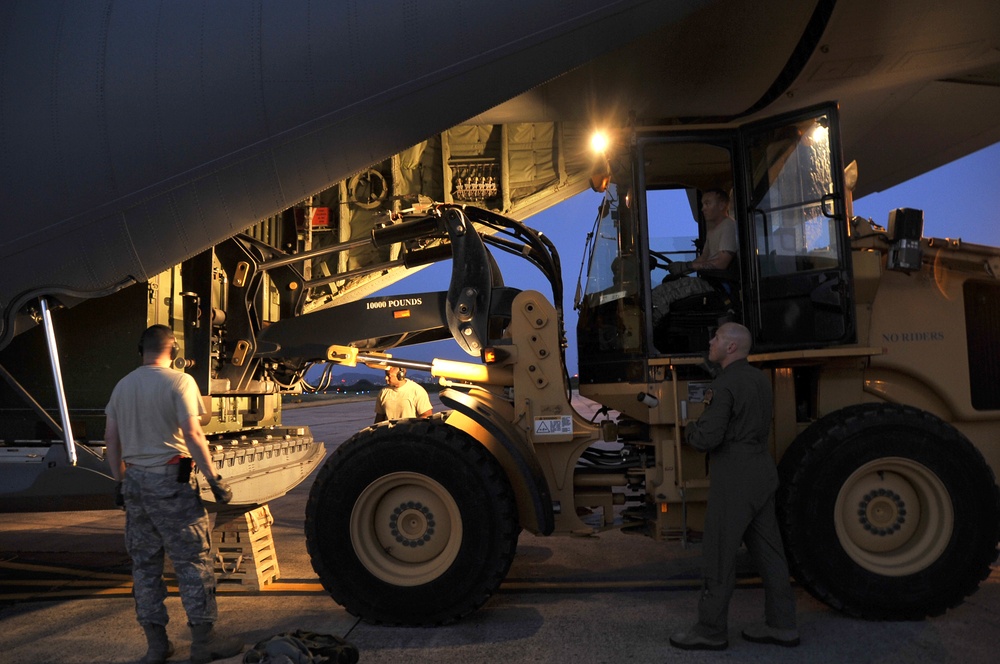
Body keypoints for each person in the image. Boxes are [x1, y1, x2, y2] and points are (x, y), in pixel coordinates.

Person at [104, 325, 244, 664]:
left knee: (145, 567)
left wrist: (120, 481)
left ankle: (156, 646)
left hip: (134, 482)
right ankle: (202, 643)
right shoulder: (180, 381)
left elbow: (112, 438)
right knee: (193, 562)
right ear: (174, 349)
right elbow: (193, 433)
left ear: (141, 348)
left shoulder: (123, 386)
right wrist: (214, 478)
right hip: (170, 482)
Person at [669, 322, 799, 651]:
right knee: (770, 553)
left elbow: (708, 437)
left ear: (730, 348)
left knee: (718, 556)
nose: (710, 341)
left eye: (716, 338)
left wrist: (688, 430)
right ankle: (782, 625)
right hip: (761, 470)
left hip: (735, 476)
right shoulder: (759, 379)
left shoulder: (725, 383)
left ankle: (710, 631)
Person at [650, 188, 738, 326]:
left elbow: (722, 263)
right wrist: (682, 268)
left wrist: (688, 266)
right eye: (703, 204)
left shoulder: (728, 226)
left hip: (718, 285)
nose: (703, 209)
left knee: (658, 295)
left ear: (721, 205)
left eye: (708, 204)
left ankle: (653, 330)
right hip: (709, 281)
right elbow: (704, 258)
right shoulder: (713, 229)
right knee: (667, 283)